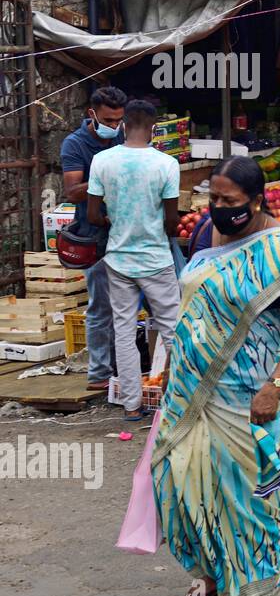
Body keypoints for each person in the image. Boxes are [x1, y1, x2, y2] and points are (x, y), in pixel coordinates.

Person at [153, 156, 280, 596]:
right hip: (191, 389)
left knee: (248, 493)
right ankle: (209, 576)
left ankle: (262, 586)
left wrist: (274, 387)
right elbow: (193, 307)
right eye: (212, 198)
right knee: (179, 480)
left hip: (251, 394)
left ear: (255, 200)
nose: (218, 207)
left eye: (229, 201)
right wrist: (171, 366)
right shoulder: (202, 235)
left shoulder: (278, 248)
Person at [86, 100, 181, 422]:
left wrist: (115, 223)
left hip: (118, 259)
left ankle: (131, 406)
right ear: (154, 129)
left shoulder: (102, 161)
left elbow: (93, 214)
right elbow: (171, 221)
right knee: (172, 330)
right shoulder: (166, 164)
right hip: (155, 258)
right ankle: (183, 400)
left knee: (123, 332)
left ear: (123, 125)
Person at [60, 85, 126, 390]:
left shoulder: (124, 137)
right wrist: (104, 175)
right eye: (108, 120)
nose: (114, 126)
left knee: (128, 306)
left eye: (118, 121)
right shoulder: (75, 144)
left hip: (126, 231)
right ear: (92, 114)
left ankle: (126, 367)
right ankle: (99, 373)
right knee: (101, 306)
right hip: (94, 235)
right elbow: (72, 192)